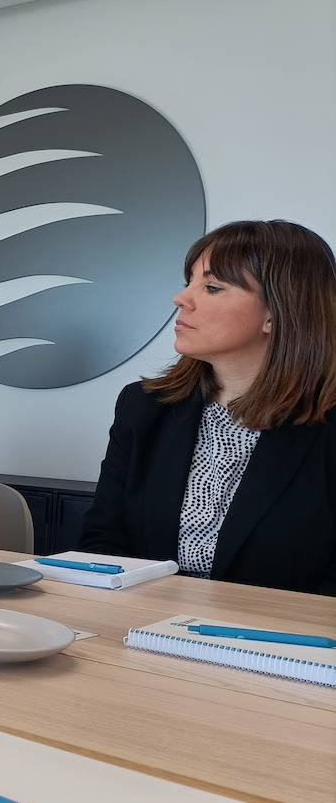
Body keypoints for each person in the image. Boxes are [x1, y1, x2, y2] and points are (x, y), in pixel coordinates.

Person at [79, 220, 336, 595]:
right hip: (142, 631)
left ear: (277, 313)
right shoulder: (144, 406)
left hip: (278, 645)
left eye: (212, 287)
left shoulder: (326, 427)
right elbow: (102, 545)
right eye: (190, 282)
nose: (181, 298)